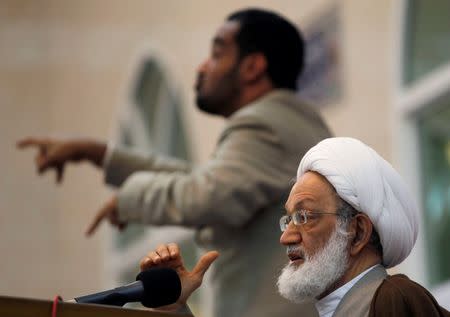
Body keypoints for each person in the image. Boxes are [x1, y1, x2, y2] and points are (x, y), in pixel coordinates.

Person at [17, 8, 331, 317]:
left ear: (252, 66)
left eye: (217, 54)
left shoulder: (265, 124)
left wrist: (128, 199)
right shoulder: (288, 122)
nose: (202, 67)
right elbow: (204, 180)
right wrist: (98, 154)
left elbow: (203, 195)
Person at [140, 137, 450, 317]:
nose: (286, 236)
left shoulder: (396, 301)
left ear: (357, 232)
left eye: (304, 217)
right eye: (288, 219)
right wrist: (175, 308)